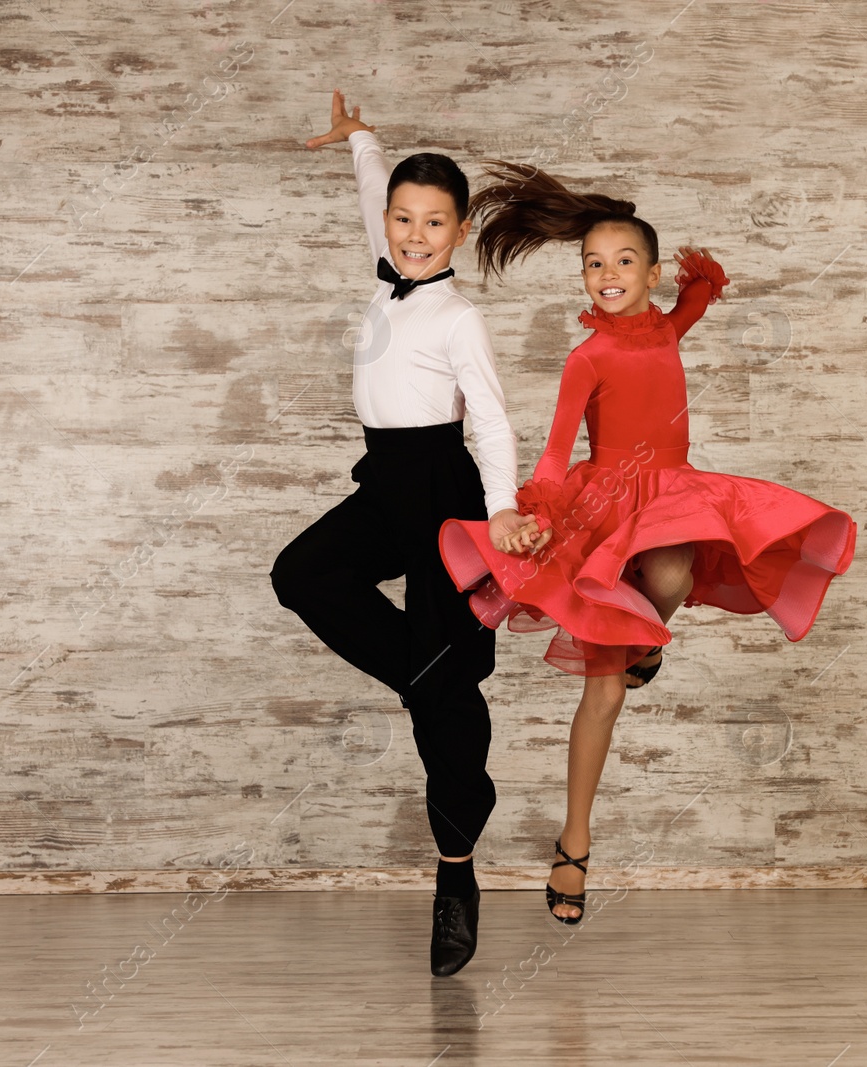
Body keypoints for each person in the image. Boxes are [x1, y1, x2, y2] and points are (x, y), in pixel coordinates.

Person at [439, 162, 856, 922]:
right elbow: (559, 452)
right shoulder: (586, 357)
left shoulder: (664, 323)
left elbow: (691, 306)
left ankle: (650, 642)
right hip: (601, 513)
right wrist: (533, 513)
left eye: (624, 261)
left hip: (670, 494)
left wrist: (704, 284)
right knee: (603, 689)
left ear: (651, 273)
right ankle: (574, 845)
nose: (606, 274)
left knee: (673, 566)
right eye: (593, 263)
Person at [272, 95, 541, 975]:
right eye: (403, 217)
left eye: (433, 223)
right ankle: (428, 671)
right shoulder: (383, 258)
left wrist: (501, 506)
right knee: (303, 573)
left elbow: (493, 421)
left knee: (445, 708)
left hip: (443, 490)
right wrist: (361, 142)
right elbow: (367, 196)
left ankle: (456, 869)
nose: (413, 234)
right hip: (383, 481)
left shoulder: (458, 317)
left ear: (459, 232)